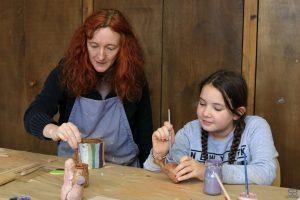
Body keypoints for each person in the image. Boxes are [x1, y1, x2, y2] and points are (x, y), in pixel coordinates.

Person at [24, 9, 153, 167]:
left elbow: (145, 136)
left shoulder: (134, 77)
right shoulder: (67, 71)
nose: (100, 56)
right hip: (73, 167)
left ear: (123, 49)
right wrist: (53, 130)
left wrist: (148, 174)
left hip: (124, 171)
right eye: (94, 45)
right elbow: (33, 114)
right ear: (84, 43)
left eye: (110, 48)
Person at [143, 69, 278, 185]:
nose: (206, 113)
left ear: (238, 113)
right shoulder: (190, 131)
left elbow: (266, 173)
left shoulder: (255, 127)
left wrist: (209, 171)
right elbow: (152, 176)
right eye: (202, 104)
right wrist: (160, 155)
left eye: (217, 108)